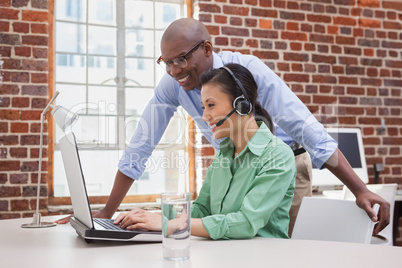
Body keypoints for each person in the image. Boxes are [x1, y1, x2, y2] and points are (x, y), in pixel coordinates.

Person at [56, 18, 389, 235]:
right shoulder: (175, 88)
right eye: (167, 62)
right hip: (230, 162)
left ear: (207, 49)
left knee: (265, 239)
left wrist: (359, 188)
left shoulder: (250, 72)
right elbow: (141, 145)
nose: (174, 70)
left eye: (181, 59)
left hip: (280, 162)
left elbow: (309, 131)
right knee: (221, 234)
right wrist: (107, 216)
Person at [113, 64, 296, 239]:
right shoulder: (224, 155)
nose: (204, 116)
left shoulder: (278, 156)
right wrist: (157, 216)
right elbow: (202, 209)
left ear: (241, 104)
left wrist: (171, 225)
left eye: (211, 105)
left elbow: (245, 223)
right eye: (203, 107)